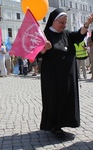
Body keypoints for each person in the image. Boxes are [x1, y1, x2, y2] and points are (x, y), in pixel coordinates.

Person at [37, 8, 93, 136]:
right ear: (53, 21)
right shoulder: (45, 35)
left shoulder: (66, 34)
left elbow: (79, 36)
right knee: (55, 100)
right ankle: (54, 126)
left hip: (68, 75)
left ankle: (65, 122)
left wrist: (87, 24)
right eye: (61, 22)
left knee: (67, 99)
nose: (64, 25)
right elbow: (36, 56)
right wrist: (44, 49)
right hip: (53, 76)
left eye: (65, 22)